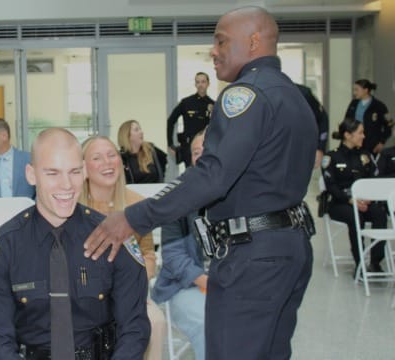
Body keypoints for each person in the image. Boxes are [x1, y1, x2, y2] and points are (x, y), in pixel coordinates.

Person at [83, 7, 317, 359]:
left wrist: (134, 218)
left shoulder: (245, 95)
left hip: (253, 257)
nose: (213, 50)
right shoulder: (297, 97)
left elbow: (212, 174)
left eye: (221, 41)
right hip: (290, 247)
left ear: (254, 41)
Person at [0, 128, 150, 359]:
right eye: (53, 173)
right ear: (31, 174)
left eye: (74, 171)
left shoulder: (114, 239)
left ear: (85, 171)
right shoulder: (4, 248)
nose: (66, 185)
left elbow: (134, 329)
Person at [78, 135, 165, 360]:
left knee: (155, 322)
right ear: (83, 167)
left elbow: (147, 255)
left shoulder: (137, 204)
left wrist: (131, 292)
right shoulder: (72, 205)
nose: (107, 163)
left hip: (128, 296)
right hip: (83, 297)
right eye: (97, 158)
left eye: (112, 155)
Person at [152, 129, 208, 360]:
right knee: (211, 324)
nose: (202, 156)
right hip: (186, 285)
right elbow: (173, 256)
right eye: (196, 152)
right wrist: (207, 281)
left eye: (208, 149)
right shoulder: (178, 195)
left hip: (234, 283)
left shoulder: (241, 195)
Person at [322, 118, 386, 273]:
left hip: (365, 201)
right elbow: (332, 187)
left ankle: (376, 261)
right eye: (360, 133)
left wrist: (369, 198)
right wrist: (351, 200)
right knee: (355, 216)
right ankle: (360, 264)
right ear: (347, 135)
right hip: (341, 203)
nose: (363, 136)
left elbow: (374, 179)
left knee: (380, 214)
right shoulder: (332, 157)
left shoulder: (365, 156)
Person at [166, 72, 215, 167]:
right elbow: (171, 120)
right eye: (198, 82)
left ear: (208, 84)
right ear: (195, 84)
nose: (200, 85)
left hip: (205, 147)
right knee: (190, 175)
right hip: (188, 147)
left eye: (203, 82)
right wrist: (170, 144)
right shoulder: (186, 102)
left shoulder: (213, 104)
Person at [344, 79, 392, 157]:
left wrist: (382, 142)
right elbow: (347, 121)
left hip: (371, 146)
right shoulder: (354, 104)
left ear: (365, 90)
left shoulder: (379, 106)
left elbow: (389, 125)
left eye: (357, 90)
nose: (354, 93)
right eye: (354, 90)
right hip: (354, 144)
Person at [118, 120, 167, 184]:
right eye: (136, 130)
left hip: (155, 191)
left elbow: (164, 160)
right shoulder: (121, 158)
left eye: (140, 129)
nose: (141, 132)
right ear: (127, 135)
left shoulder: (151, 150)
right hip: (133, 193)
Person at [296, 83, 329, 168]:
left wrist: (320, 148)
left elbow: (322, 118)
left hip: (302, 150)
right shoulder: (261, 93)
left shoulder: (303, 93)